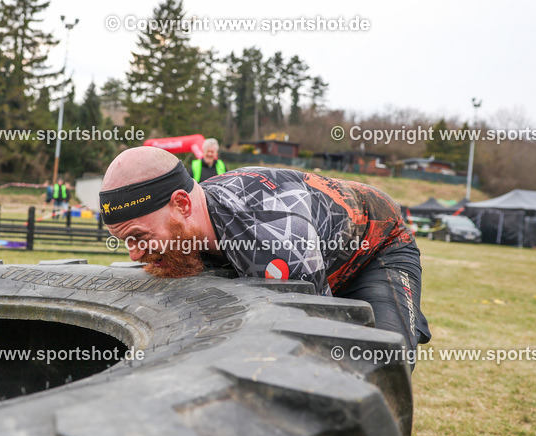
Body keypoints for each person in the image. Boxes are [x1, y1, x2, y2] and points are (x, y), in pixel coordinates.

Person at [100, 146, 431, 356]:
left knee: (380, 358)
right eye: (125, 241)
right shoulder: (195, 220)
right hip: (312, 255)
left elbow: (321, 342)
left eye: (139, 237)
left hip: (375, 251)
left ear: (182, 204)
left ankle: (401, 318)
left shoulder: (273, 236)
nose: (134, 254)